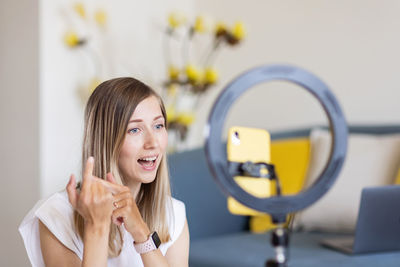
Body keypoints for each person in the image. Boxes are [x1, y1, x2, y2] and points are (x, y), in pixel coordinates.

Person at [19, 77, 190, 267]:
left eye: (158, 126)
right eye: (134, 130)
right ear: (107, 141)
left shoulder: (173, 214)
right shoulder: (56, 215)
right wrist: (97, 226)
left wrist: (141, 233)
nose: (153, 143)